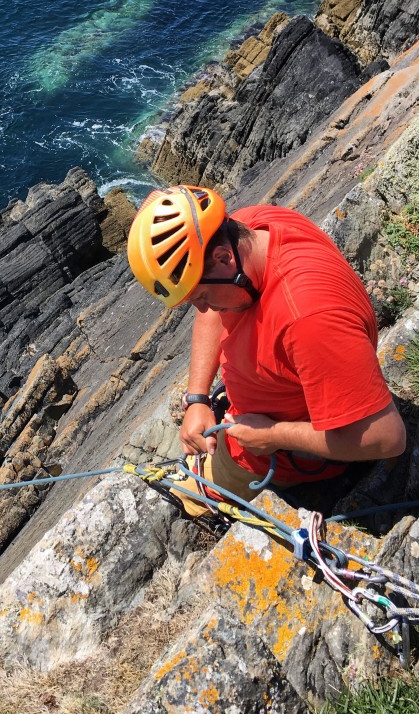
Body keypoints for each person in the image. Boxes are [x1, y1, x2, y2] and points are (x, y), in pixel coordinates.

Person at [127, 185, 406, 517]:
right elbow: (217, 311)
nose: (204, 310)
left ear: (222, 259)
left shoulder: (307, 318)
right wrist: (198, 398)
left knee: (184, 501)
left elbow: (387, 437)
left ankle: (207, 498)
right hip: (257, 415)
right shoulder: (249, 228)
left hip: (269, 455)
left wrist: (272, 435)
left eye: (201, 297)